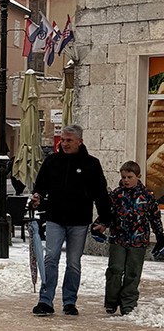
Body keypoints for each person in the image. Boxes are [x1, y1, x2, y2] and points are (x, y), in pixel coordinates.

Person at [30, 124, 112, 316]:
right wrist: (37, 198)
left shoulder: (91, 164)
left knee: (73, 262)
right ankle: (45, 300)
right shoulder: (52, 161)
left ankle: (69, 301)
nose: (64, 144)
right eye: (63, 140)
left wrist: (104, 219)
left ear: (79, 142)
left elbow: (100, 194)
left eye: (69, 140)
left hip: (79, 221)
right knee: (50, 259)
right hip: (55, 218)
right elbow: (40, 186)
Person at [104, 160, 164, 315]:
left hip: (138, 241)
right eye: (123, 177)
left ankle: (128, 303)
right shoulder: (116, 194)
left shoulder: (147, 197)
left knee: (133, 272)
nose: (126, 180)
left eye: (129, 177)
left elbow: (155, 218)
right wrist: (100, 225)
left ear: (138, 176)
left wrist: (160, 236)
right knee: (115, 269)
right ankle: (111, 301)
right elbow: (107, 214)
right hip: (118, 239)